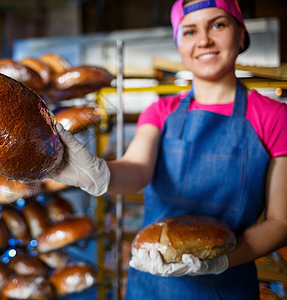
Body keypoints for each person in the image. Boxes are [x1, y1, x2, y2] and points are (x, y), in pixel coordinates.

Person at [49, 0, 287, 298]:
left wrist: (222, 260)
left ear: (241, 35)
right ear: (178, 44)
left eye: (218, 25)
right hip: (152, 284)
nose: (204, 40)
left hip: (228, 285)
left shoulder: (274, 117)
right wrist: (101, 175)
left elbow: (281, 222)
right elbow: (137, 169)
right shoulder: (161, 111)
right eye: (189, 31)